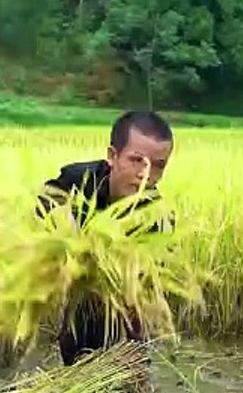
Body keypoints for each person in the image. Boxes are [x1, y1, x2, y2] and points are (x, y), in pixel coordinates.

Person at [36, 109, 176, 367]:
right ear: (113, 156)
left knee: (131, 354)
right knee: (76, 350)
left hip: (120, 300)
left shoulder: (155, 216)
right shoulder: (75, 182)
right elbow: (39, 216)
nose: (146, 175)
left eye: (158, 166)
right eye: (137, 160)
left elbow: (148, 287)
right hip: (73, 290)